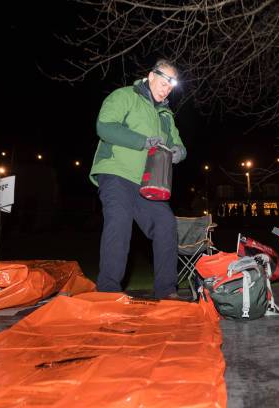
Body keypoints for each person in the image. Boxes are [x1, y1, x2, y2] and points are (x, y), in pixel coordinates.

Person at [89, 59, 187, 298]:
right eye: (163, 83)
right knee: (119, 223)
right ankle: (109, 291)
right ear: (151, 75)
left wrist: (178, 153)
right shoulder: (124, 96)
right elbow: (105, 127)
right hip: (116, 173)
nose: (166, 90)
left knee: (166, 224)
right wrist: (142, 141)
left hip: (149, 183)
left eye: (170, 87)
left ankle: (166, 291)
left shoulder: (165, 115)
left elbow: (178, 144)